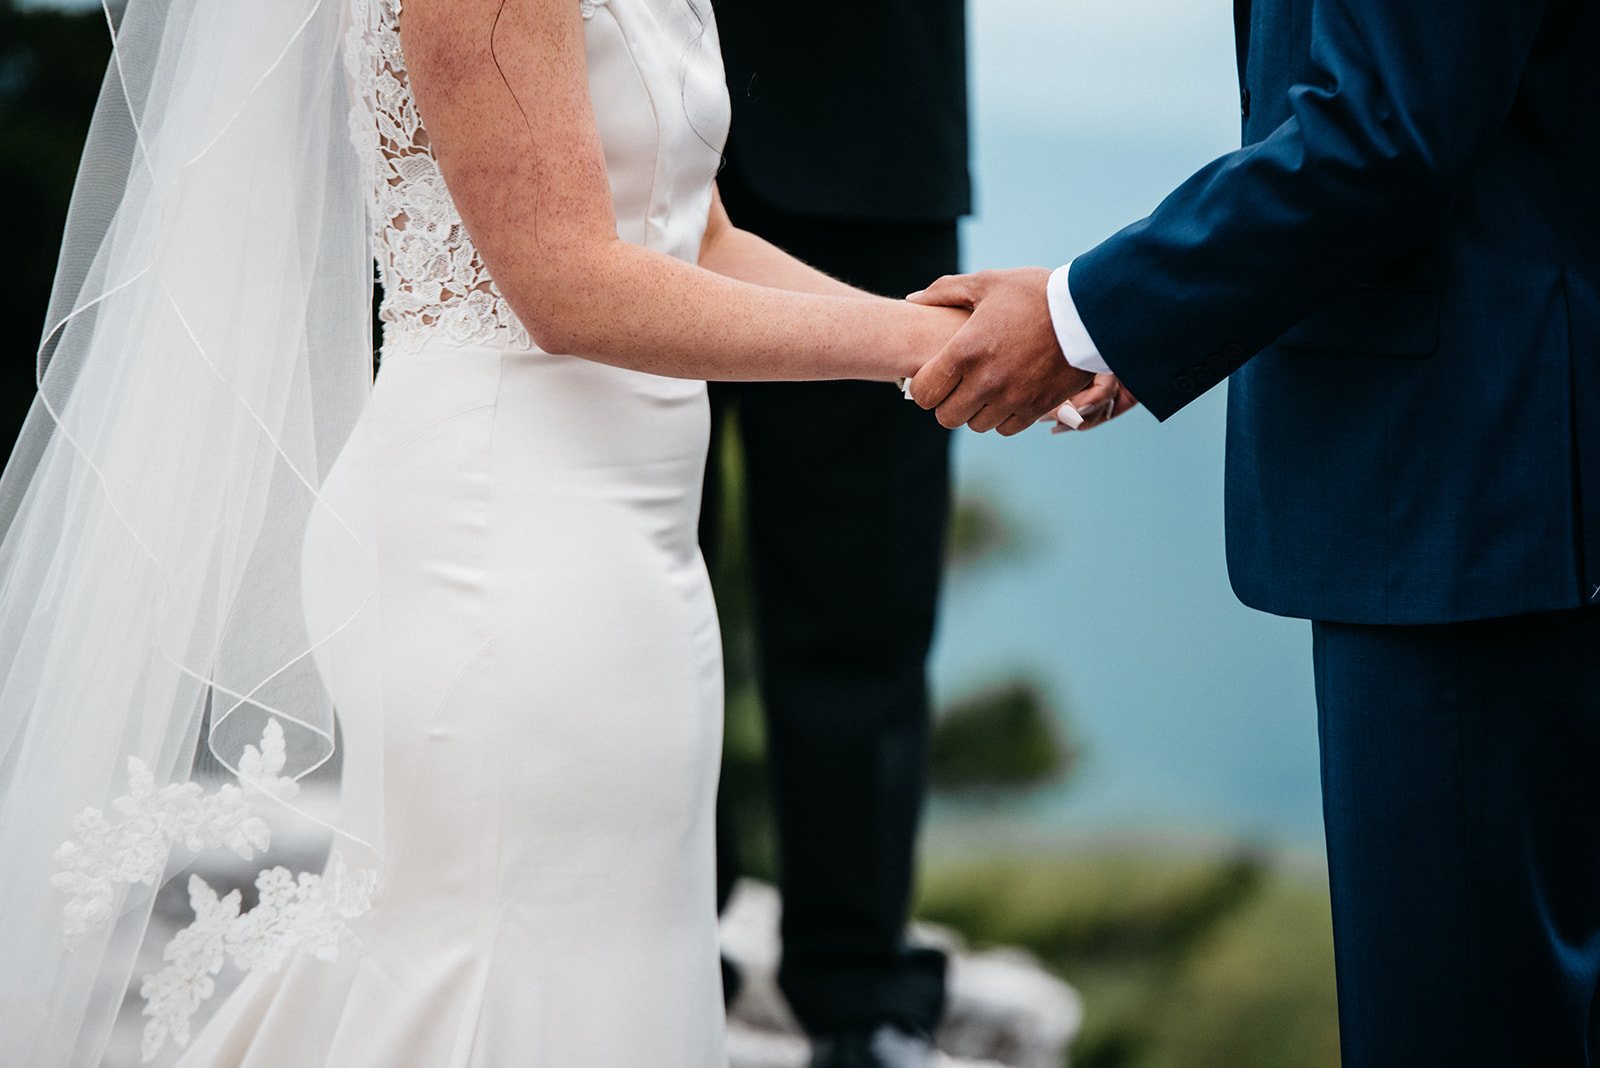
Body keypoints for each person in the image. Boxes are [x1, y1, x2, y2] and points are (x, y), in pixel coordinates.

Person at [0, 0, 1096, 1063]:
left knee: (613, 961)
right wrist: (929, 352)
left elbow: (696, 236)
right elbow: (567, 284)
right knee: (501, 961)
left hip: (635, 558)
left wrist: (959, 339)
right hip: (503, 533)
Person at [905, 0, 1600, 1063]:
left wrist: (1082, 316)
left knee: (1456, 1020)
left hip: (1465, 490)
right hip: (1494, 468)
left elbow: (1384, 127)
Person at [702, 2, 968, 1063]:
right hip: (598, 117)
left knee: (868, 586)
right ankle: (657, 937)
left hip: (871, 121)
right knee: (620, 572)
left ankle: (858, 990)